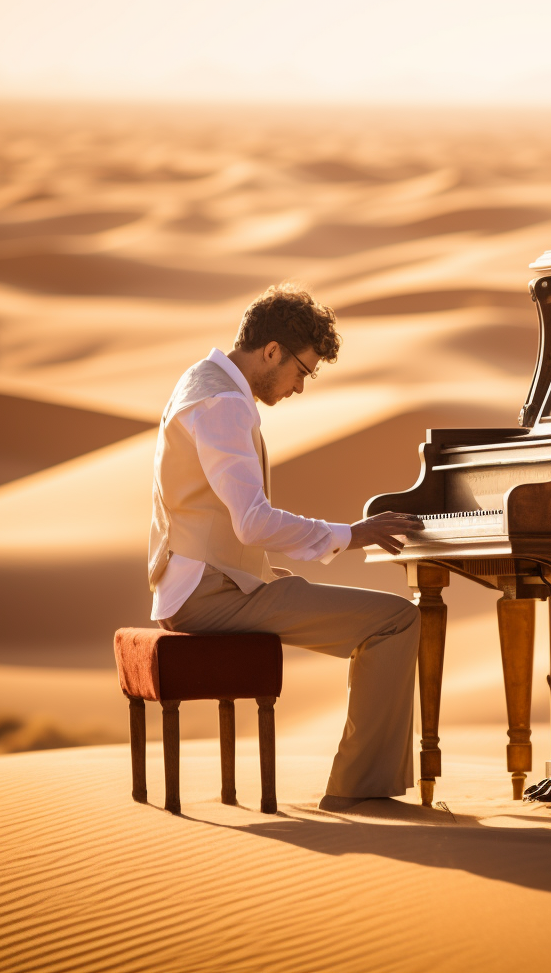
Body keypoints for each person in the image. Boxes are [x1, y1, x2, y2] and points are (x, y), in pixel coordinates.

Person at [148, 283, 424, 811]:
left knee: (300, 588)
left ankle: (363, 780)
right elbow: (252, 522)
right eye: (303, 369)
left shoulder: (198, 381)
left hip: (195, 583)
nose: (300, 387)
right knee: (396, 621)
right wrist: (349, 534)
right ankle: (360, 792)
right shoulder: (225, 403)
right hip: (207, 597)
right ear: (271, 351)